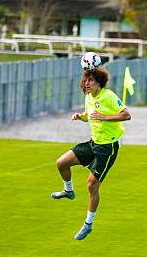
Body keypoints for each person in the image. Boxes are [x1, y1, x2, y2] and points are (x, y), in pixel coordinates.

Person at [51, 67, 131, 240]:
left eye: (91, 80)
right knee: (61, 163)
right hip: (93, 143)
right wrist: (81, 116)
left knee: (91, 185)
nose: (87, 83)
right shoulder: (88, 97)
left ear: (99, 82)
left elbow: (126, 115)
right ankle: (68, 191)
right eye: (86, 80)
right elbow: (90, 116)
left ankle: (88, 224)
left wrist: (105, 117)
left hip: (108, 147)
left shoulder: (108, 96)